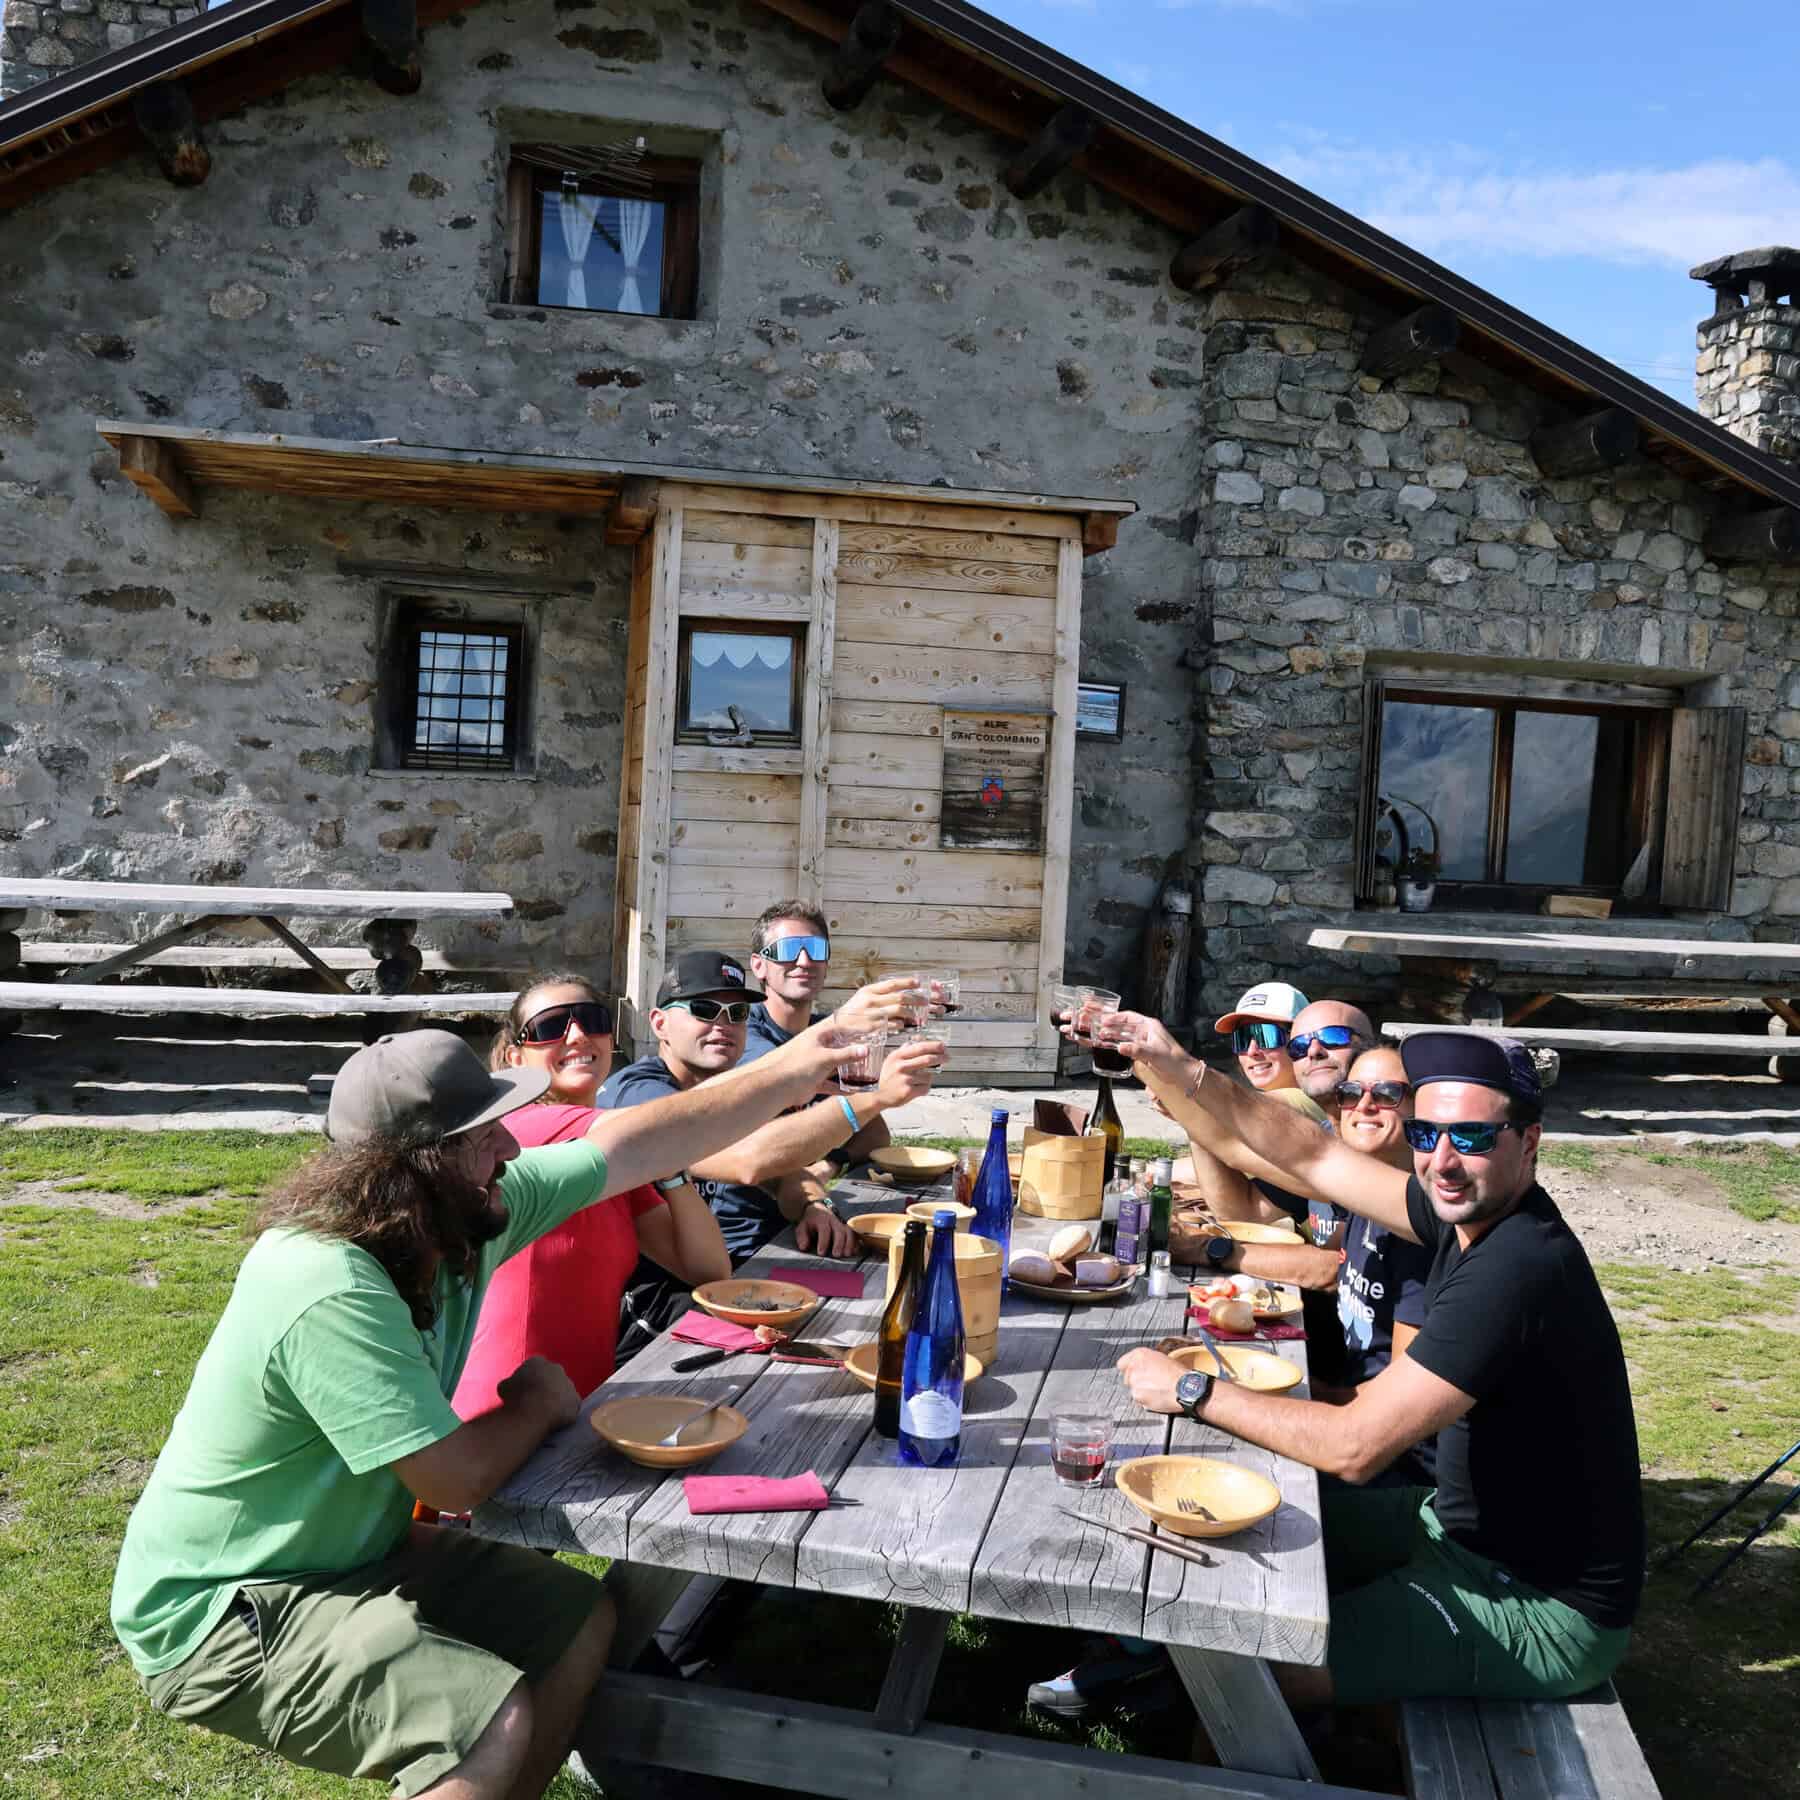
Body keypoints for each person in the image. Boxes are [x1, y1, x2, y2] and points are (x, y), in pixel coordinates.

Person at [111, 1020, 859, 1797]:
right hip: (224, 1609)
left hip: (348, 1556)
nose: (509, 1147)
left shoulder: (464, 1218)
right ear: (418, 1169)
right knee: (483, 1723)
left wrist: (802, 1063)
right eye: (484, 1133)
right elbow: (453, 1482)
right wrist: (537, 1405)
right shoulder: (328, 1281)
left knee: (576, 1619)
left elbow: (636, 1145)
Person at [1105, 1011, 1644, 1709]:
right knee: (1226, 1518)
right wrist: (1185, 1069)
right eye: (1427, 1134)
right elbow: (1315, 1156)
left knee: (1254, 1661)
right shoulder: (1466, 1214)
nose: (1442, 1161)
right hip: (1450, 1525)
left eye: (1474, 1138)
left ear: (1530, 1142)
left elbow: (1356, 1448)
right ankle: (1129, 1653)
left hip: (1538, 1604)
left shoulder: (1519, 1267)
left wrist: (1188, 1387)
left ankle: (1210, 1726)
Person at [451, 973, 733, 1418]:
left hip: (582, 1411)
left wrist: (671, 1173)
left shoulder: (614, 1158)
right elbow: (669, 1126)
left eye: (591, 1019)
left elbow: (707, 1270)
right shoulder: (521, 1130)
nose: (577, 1035)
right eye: (550, 1027)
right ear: (514, 1057)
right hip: (503, 1415)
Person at [599, 950, 942, 1265]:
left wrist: (813, 1205)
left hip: (747, 1262)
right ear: (659, 1024)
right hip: (665, 1292)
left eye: (737, 1013)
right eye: (704, 1010)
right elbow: (749, 1159)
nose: (723, 1025)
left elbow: (784, 1174)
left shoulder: (739, 1088)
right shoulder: (636, 1092)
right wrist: (872, 1097)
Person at [738, 900, 913, 1182]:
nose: (805, 961)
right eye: (789, 950)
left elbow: (875, 1132)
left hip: (808, 1204)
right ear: (759, 966)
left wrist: (828, 1166)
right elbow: (776, 1071)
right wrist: (843, 1021)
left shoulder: (830, 1031)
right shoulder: (741, 1031)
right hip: (748, 1216)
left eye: (816, 950)